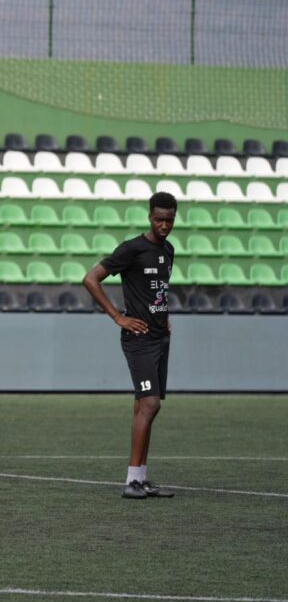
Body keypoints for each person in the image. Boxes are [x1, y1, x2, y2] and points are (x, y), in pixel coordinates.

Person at [83, 192, 177, 500]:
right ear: (149, 217)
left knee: (146, 405)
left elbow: (158, 291)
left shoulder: (169, 250)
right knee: (150, 404)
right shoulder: (132, 249)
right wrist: (117, 317)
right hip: (138, 338)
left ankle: (140, 477)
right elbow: (91, 279)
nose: (164, 225)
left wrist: (164, 317)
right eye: (159, 219)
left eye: (169, 220)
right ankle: (132, 482)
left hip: (159, 336)